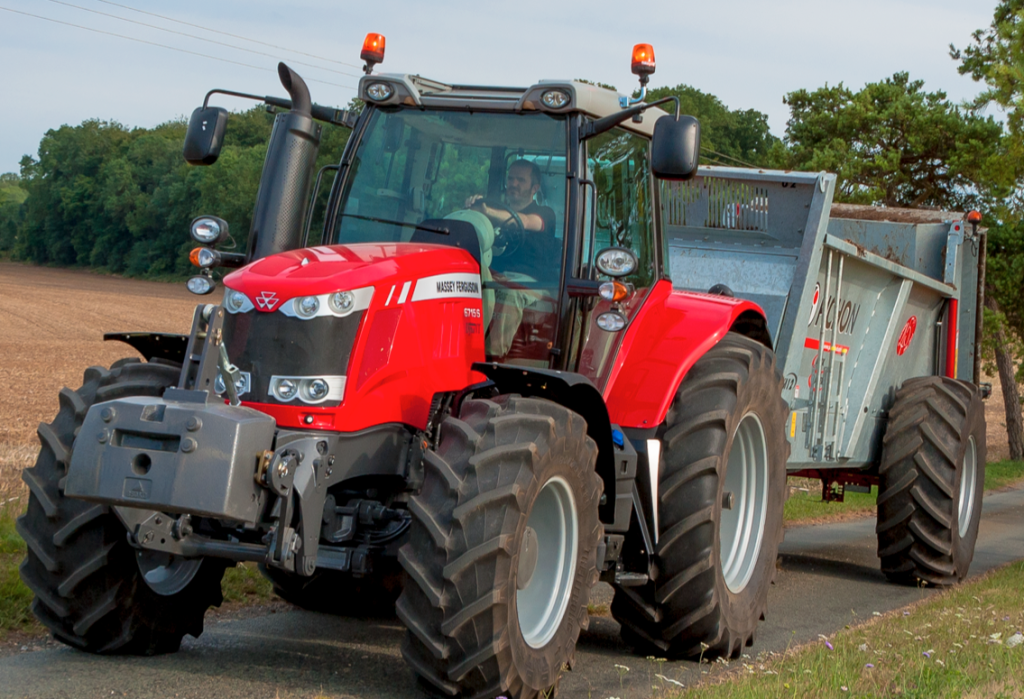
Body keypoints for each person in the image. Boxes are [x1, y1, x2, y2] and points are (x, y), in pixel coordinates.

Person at [464, 159, 556, 235]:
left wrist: (487, 211)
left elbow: (525, 222)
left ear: (534, 188)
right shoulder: (495, 212)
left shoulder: (546, 214)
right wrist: (474, 208)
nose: (513, 184)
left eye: (521, 180)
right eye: (510, 178)